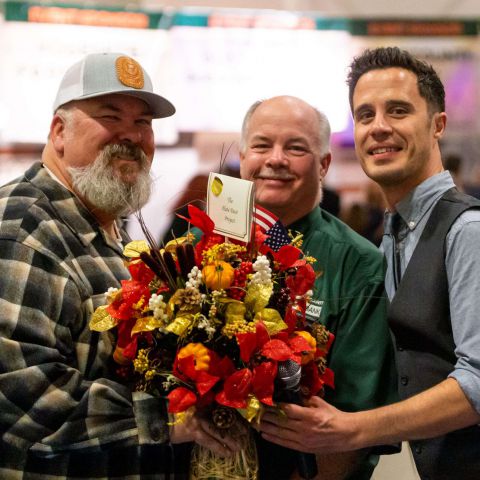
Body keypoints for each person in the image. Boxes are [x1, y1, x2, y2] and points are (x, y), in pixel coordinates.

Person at [0, 52, 242, 479]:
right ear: (59, 131)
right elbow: (23, 396)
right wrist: (172, 417)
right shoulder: (23, 228)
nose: (130, 136)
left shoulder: (106, 229)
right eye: (110, 117)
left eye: (143, 123)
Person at [259, 48, 480, 480]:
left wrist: (351, 429)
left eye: (398, 111)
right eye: (365, 115)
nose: (379, 127)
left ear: (438, 125)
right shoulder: (394, 236)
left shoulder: (466, 231)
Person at [239, 95, 398, 479]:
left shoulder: (359, 264)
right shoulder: (201, 244)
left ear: (324, 164)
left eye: (296, 148)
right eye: (262, 145)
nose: (275, 159)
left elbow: (355, 423)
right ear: (243, 158)